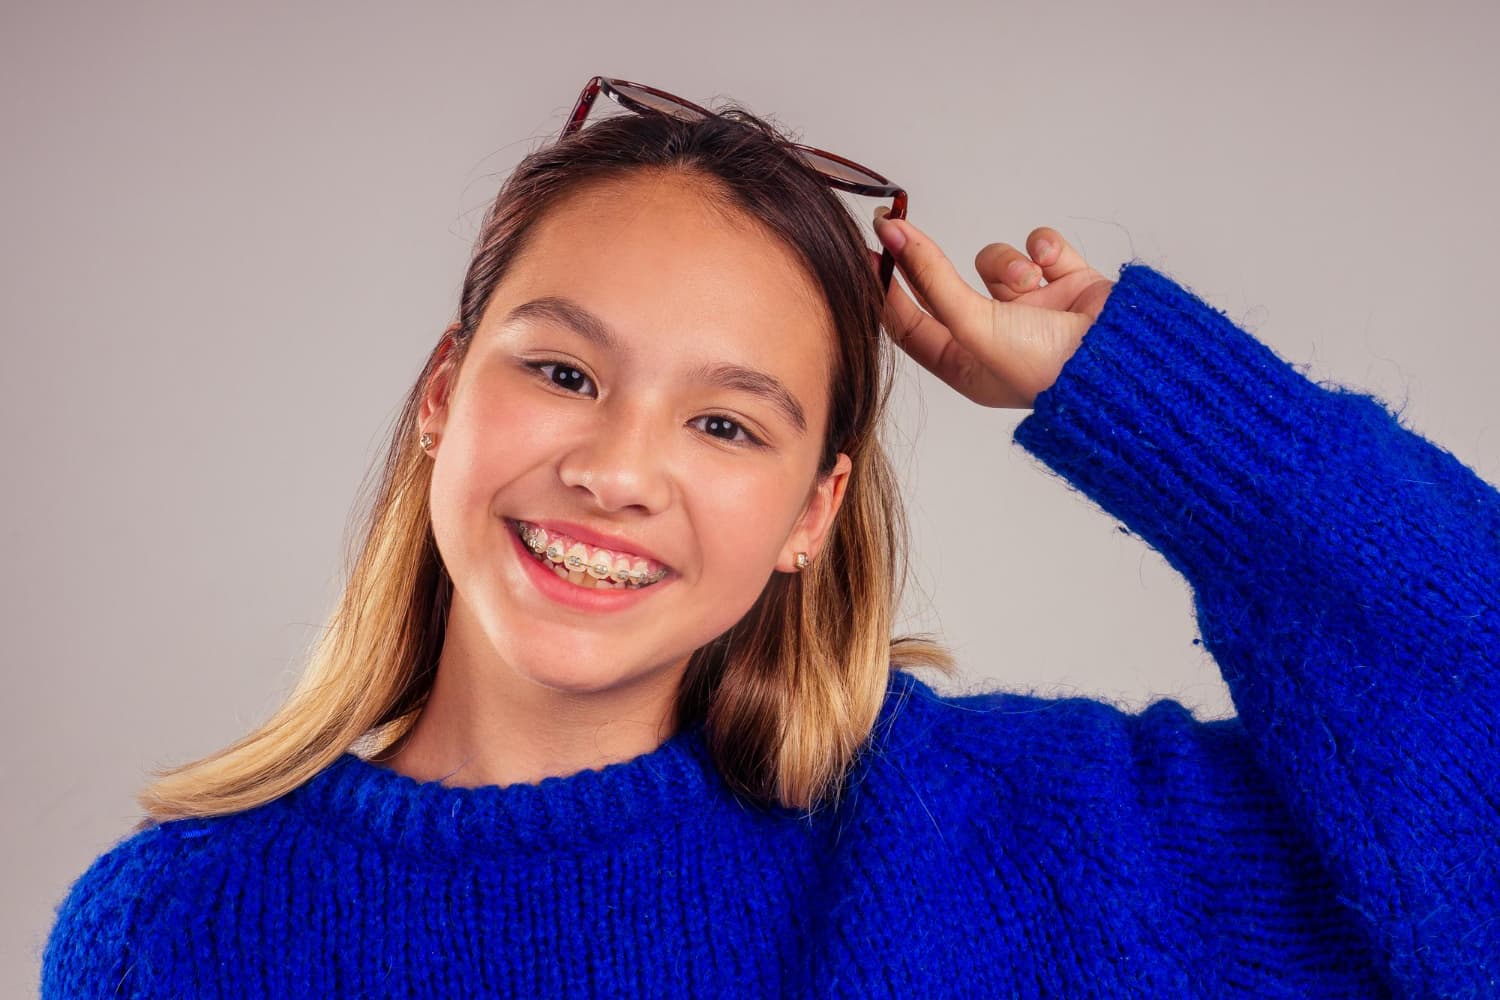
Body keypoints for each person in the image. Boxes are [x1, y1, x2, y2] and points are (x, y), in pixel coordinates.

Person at [41, 88, 1498, 998]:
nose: (616, 470)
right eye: (563, 372)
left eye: (728, 425)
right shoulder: (175, 933)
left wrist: (1166, 404)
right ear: (444, 394)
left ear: (812, 514)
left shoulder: (1019, 844)